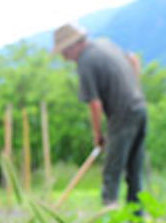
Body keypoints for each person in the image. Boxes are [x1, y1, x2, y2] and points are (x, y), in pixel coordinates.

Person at [53, 22, 148, 210]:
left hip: (121, 114)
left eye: (64, 52)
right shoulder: (105, 44)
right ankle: (137, 222)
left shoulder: (85, 62)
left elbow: (95, 104)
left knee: (111, 174)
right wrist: (135, 89)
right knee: (134, 172)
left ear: (73, 45)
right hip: (140, 107)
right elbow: (133, 60)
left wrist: (97, 135)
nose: (64, 58)